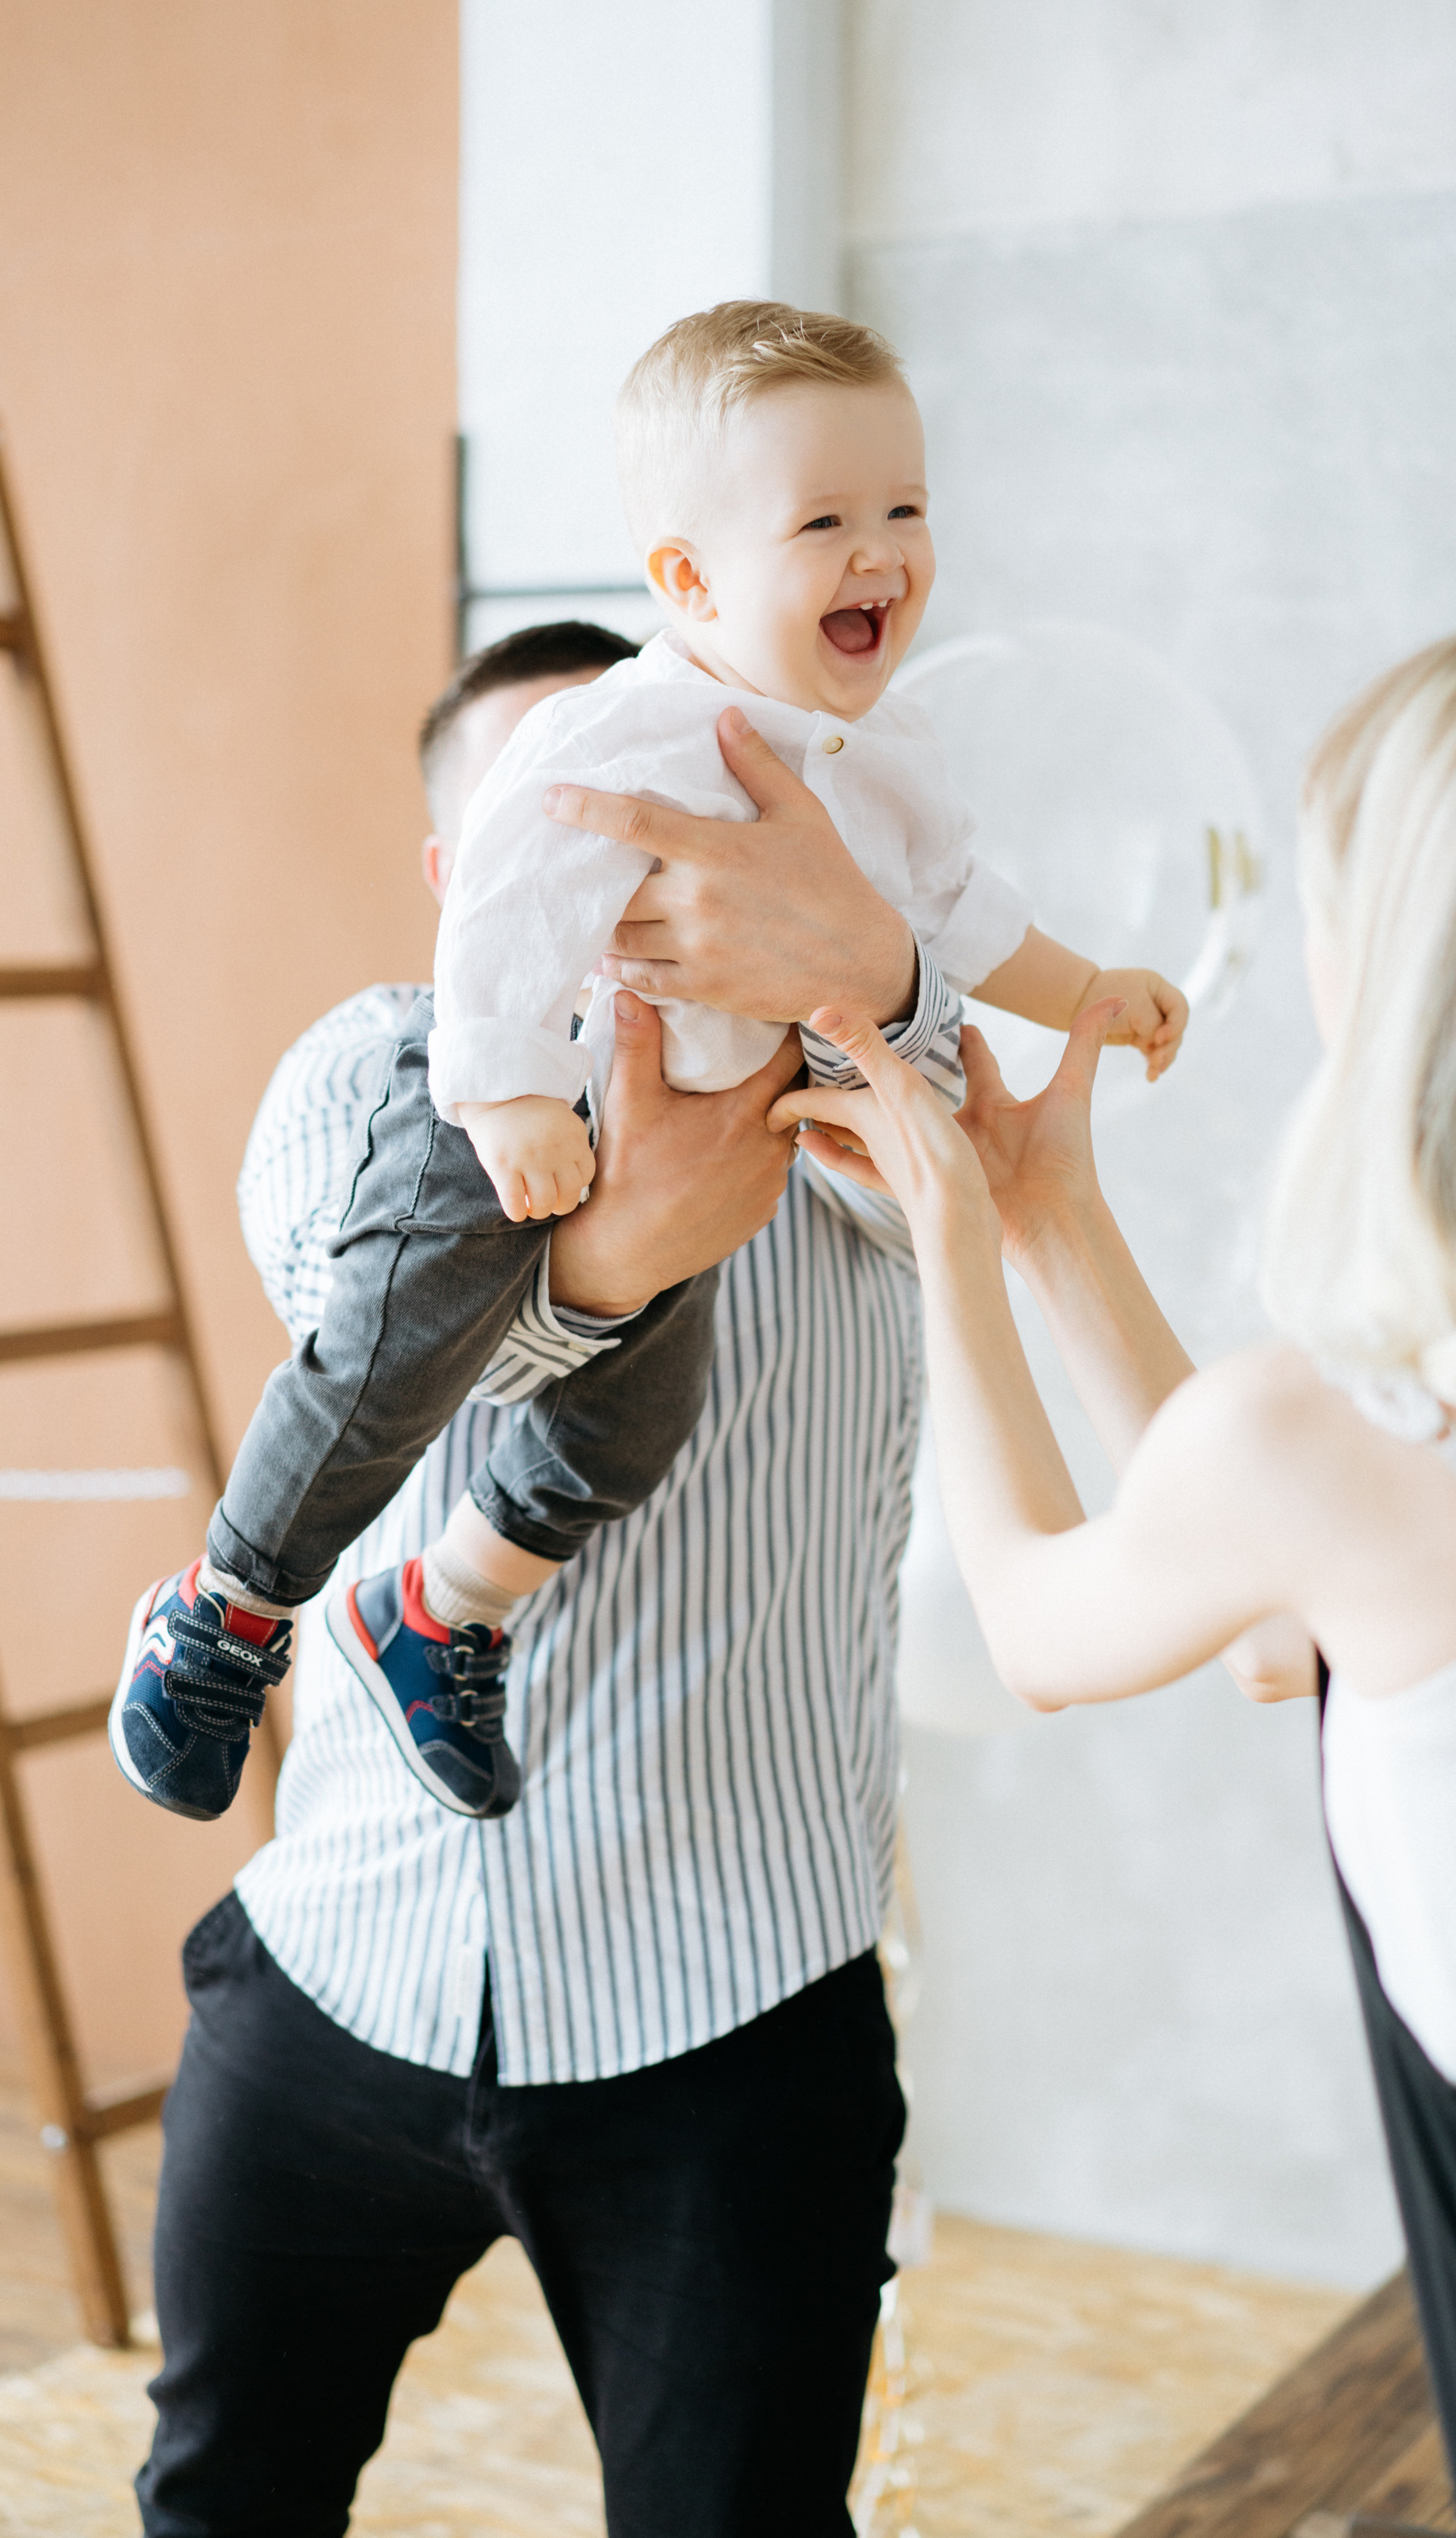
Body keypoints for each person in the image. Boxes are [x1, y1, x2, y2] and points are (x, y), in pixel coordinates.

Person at [779, 627, 1456, 2537]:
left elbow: (1041, 1614)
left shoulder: (1362, 1448)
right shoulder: (1444, 1455)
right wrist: (1057, 1215)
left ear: (1416, 962)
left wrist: (957, 1225)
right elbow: (1293, 1625)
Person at [110, 300, 1189, 1824]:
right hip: (513, 1112)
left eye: (905, 509)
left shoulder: (884, 766)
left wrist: (1076, 987)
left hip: (729, 1148)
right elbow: (499, 920)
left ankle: (446, 1608)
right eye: (824, 518)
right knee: (397, 1328)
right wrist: (500, 1097)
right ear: (685, 581)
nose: (879, 547)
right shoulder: (607, 741)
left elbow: (958, 930)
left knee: (638, 1414)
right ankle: (225, 1611)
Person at [137, 620, 975, 2538]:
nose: (612, 893)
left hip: (728, 2018)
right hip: (335, 1974)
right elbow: (393, 1327)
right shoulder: (370, 1068)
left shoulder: (848, 1108)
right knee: (218, 2499)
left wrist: (857, 972)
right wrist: (619, 1264)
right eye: (553, 828)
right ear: (459, 879)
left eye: (661, 824)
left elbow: (982, 1144)